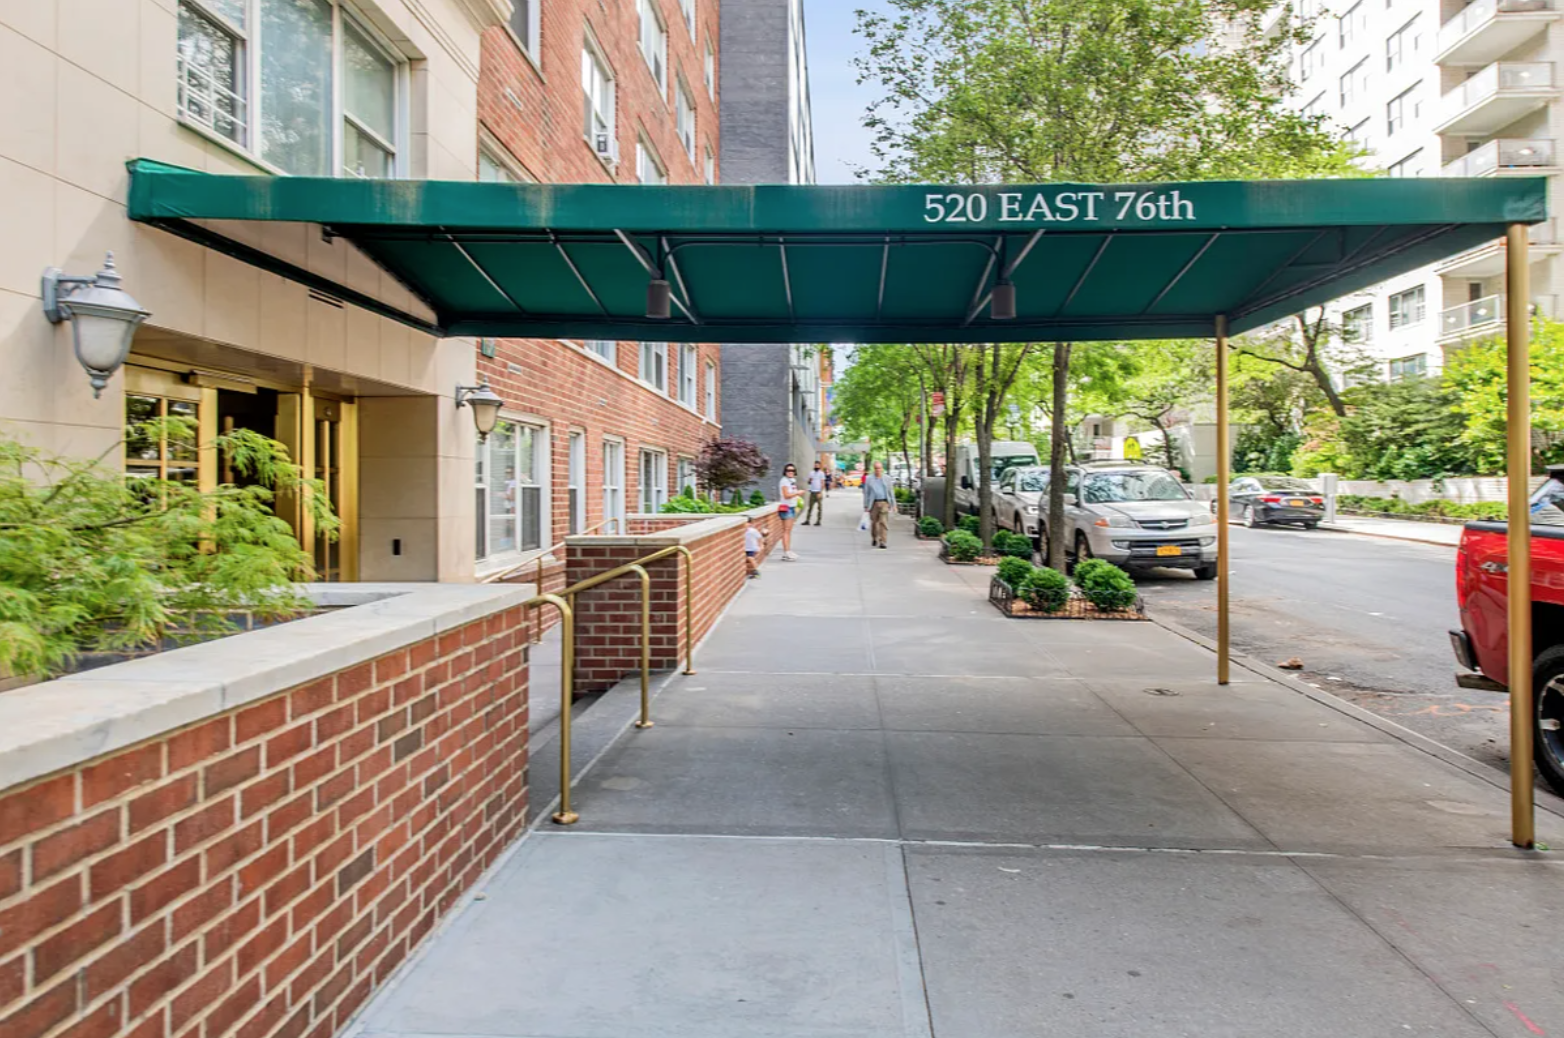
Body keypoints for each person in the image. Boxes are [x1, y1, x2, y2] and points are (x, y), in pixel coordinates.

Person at [862, 461, 895, 549]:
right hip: (873, 503)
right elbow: (866, 493)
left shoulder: (887, 478)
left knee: (883, 522)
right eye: (876, 468)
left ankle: (883, 541)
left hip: (884, 503)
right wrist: (866, 506)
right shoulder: (869, 479)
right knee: (874, 523)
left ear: (882, 468)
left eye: (879, 468)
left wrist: (894, 504)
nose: (878, 470)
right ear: (874, 469)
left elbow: (891, 492)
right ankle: (874, 538)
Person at [778, 463, 802, 560]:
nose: (790, 472)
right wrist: (797, 493)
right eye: (788, 470)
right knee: (786, 531)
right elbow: (786, 495)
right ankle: (786, 552)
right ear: (785, 471)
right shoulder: (784, 481)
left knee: (788, 531)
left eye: (792, 470)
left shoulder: (791, 481)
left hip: (791, 507)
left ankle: (787, 551)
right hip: (786, 508)